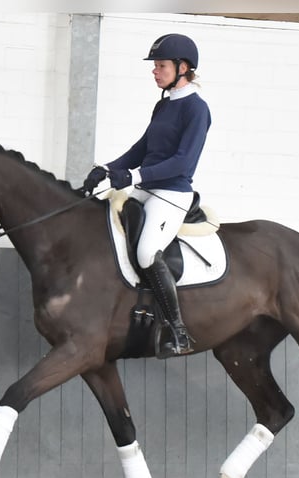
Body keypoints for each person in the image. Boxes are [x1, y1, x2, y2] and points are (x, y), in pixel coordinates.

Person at [83, 33, 211, 358]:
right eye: (155, 66)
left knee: (145, 252)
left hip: (171, 194)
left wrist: (134, 175)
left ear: (183, 68)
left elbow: (182, 161)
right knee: (104, 229)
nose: (155, 71)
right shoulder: (164, 105)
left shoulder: (196, 109)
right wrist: (107, 169)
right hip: (146, 189)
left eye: (161, 66)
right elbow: (142, 148)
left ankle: (177, 330)